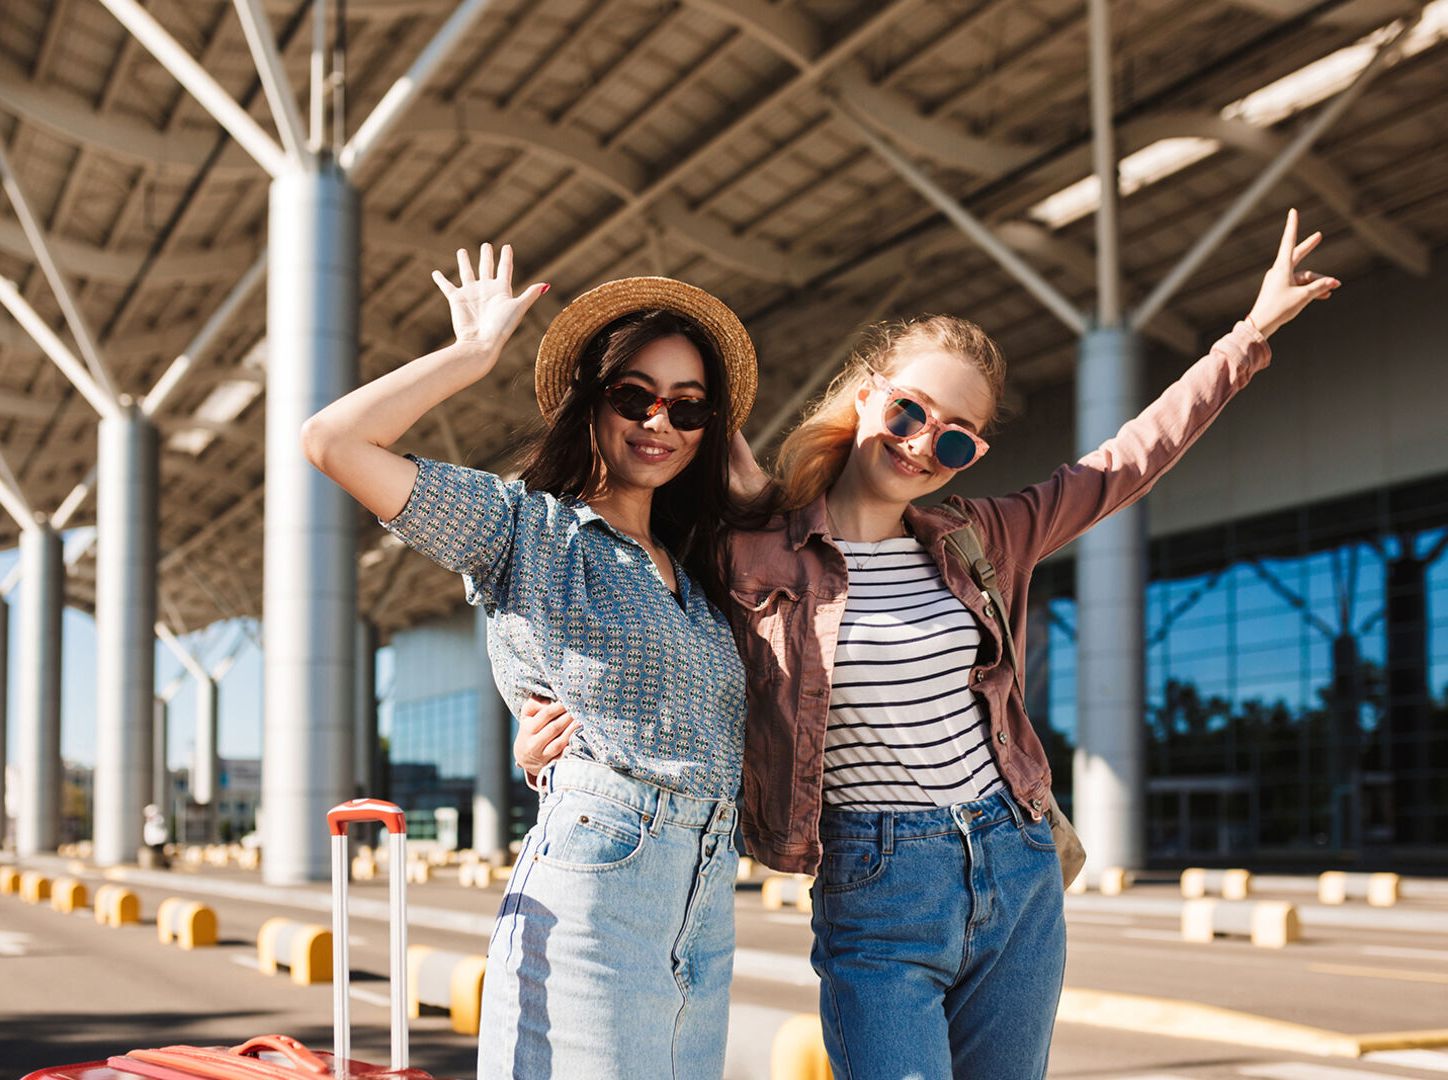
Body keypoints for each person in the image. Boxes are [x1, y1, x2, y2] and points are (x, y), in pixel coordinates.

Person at [517, 209, 1340, 1080]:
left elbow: (1125, 460)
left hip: (1013, 860)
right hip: (875, 885)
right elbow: (629, 625)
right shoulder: (749, 545)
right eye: (907, 410)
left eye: (952, 436)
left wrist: (1248, 336)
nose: (919, 444)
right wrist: (544, 743)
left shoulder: (982, 537)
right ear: (866, 391)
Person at [300, 243, 762, 1079]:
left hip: (706, 901)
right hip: (596, 894)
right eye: (634, 396)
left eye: (688, 409)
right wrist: (473, 355)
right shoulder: (524, 529)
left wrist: (728, 436)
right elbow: (334, 441)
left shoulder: (699, 568)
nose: (659, 423)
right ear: (590, 404)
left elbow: (786, 532)